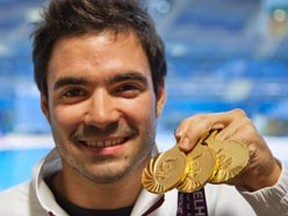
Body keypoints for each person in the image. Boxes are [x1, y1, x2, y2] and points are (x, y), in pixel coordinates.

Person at [0, 0, 287, 215]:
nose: (101, 116)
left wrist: (270, 181)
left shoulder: (230, 205)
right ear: (45, 106)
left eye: (126, 88)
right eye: (74, 92)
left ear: (159, 95)